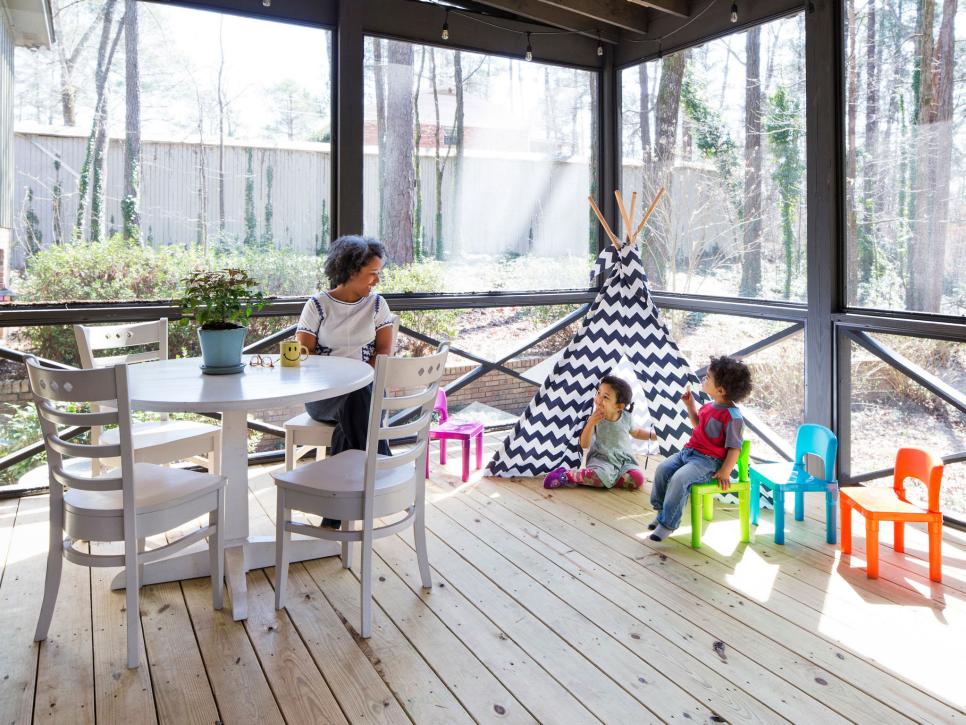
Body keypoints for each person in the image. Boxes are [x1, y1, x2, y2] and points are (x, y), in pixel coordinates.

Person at [296, 235, 394, 525]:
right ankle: (384, 465)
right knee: (355, 397)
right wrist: (343, 379)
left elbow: (384, 351)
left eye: (378, 273)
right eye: (372, 273)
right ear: (351, 271)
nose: (377, 280)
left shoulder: (377, 305)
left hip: (366, 393)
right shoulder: (317, 305)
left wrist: (361, 376)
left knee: (352, 410)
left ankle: (334, 515)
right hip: (324, 396)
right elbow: (306, 355)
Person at [648, 355, 752, 542]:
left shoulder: (733, 417)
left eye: (708, 378)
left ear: (720, 390)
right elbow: (698, 425)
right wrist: (690, 406)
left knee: (679, 479)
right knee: (662, 470)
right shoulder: (709, 406)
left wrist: (725, 471)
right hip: (689, 452)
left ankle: (667, 524)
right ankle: (662, 512)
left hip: (708, 462)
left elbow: (734, 448)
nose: (704, 379)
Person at [543, 375, 655, 491]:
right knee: (601, 475)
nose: (598, 399)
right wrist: (591, 423)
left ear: (619, 406)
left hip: (624, 460)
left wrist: (654, 436)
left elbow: (636, 432)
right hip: (602, 460)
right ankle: (566, 475)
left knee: (637, 478)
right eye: (598, 393)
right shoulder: (595, 418)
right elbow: (584, 444)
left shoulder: (626, 417)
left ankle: (610, 480)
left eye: (605, 397)